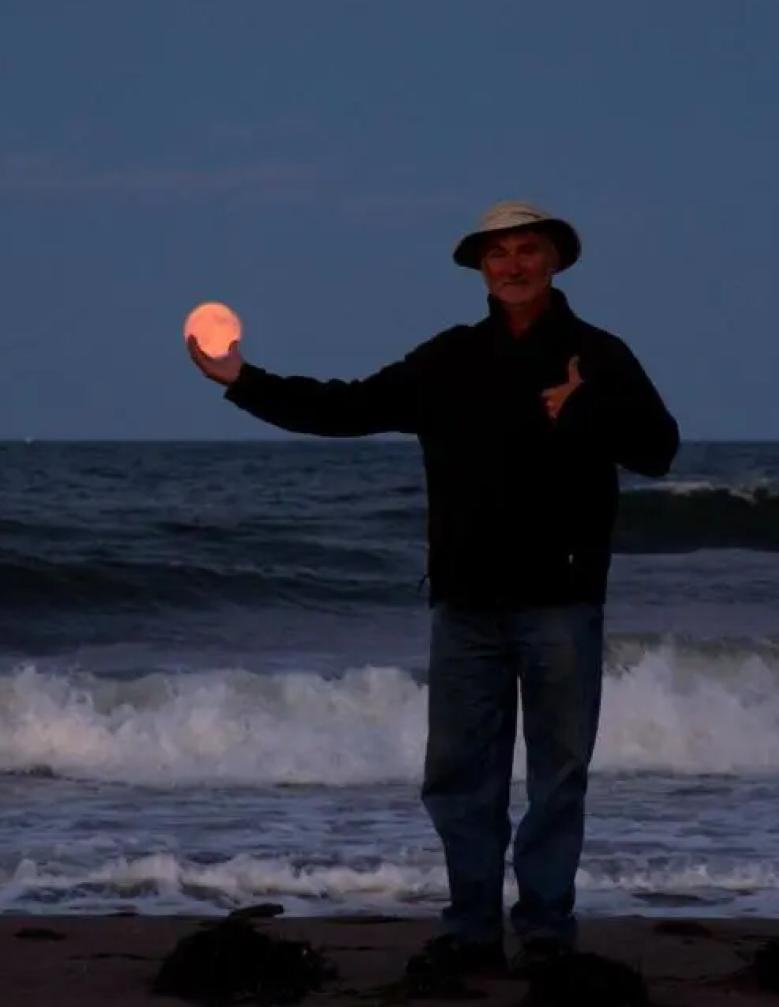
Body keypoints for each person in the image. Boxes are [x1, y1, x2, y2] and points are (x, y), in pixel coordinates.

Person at [186, 200, 680, 978]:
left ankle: (547, 932)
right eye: (497, 254)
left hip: (562, 599)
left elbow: (658, 450)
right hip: (464, 604)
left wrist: (587, 412)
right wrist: (239, 379)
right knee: (457, 778)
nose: (511, 265)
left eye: (526, 250)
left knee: (557, 777)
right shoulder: (448, 358)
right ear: (479, 269)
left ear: (553, 260)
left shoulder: (598, 355)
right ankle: (472, 930)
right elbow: (344, 407)